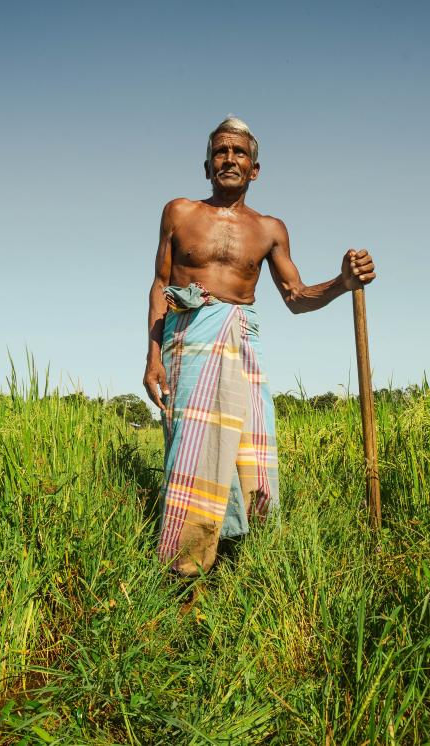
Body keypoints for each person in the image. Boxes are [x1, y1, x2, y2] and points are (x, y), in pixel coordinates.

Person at [143, 116, 377, 576]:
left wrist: (343, 282)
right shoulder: (180, 212)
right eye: (220, 152)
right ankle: (185, 571)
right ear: (207, 166)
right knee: (191, 450)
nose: (229, 159)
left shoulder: (270, 229)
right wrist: (152, 356)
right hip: (188, 340)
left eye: (239, 153)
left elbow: (296, 297)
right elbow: (159, 284)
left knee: (246, 449)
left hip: (241, 342)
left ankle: (237, 557)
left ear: (255, 169)